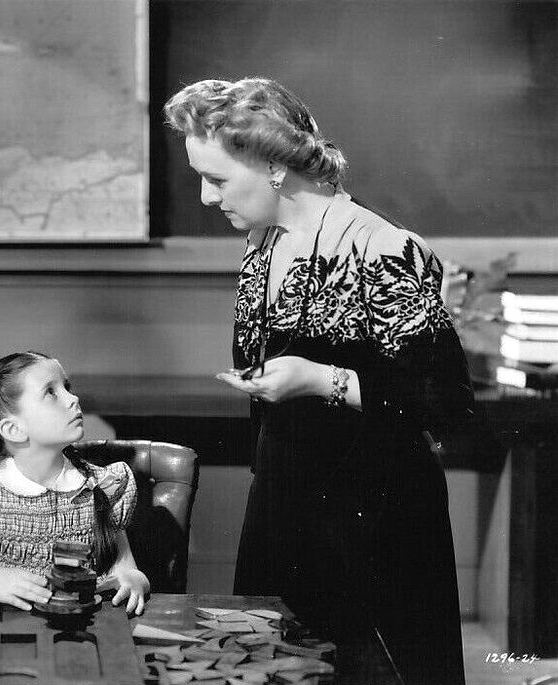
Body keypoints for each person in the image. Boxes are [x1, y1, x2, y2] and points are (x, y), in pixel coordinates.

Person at [164, 77, 470, 684]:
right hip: (284, 503)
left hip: (375, 521)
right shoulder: (262, 241)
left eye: (216, 179)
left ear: (274, 167)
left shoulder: (383, 248)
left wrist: (319, 380)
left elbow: (446, 401)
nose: (204, 196)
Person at [0, 351, 150, 616]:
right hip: (9, 632)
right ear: (13, 430)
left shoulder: (102, 486)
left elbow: (127, 568)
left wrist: (133, 579)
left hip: (84, 629)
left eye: (67, 388)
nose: (73, 399)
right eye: (51, 392)